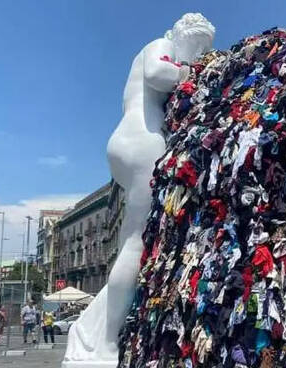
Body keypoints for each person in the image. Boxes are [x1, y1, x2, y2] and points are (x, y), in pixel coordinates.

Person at [64, 13, 215, 364]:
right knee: (134, 245)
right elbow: (159, 73)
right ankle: (103, 340)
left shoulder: (157, 50)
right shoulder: (160, 46)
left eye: (201, 50)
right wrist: (192, 73)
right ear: (179, 35)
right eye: (194, 46)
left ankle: (93, 325)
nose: (194, 55)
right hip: (143, 142)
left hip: (130, 142)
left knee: (131, 246)